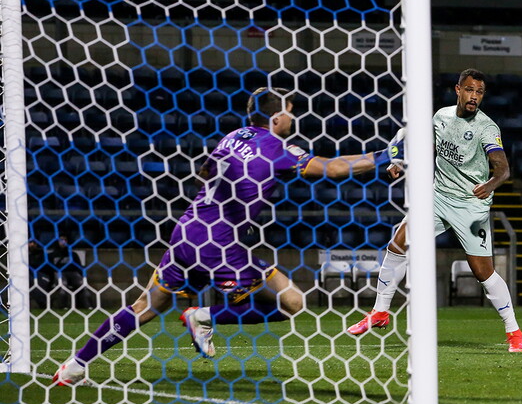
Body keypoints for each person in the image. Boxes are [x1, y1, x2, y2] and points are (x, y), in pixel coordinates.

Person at [53, 87, 403, 385]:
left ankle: (75, 365)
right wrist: (387, 155)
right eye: (290, 113)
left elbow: (204, 176)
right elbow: (334, 167)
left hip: (187, 231)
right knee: (292, 302)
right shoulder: (277, 148)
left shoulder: (231, 137)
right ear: (277, 119)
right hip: (219, 244)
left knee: (144, 307)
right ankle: (203, 316)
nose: (293, 119)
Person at [347, 68, 522, 353]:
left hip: (470, 205)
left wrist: (491, 184)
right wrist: (400, 162)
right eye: (469, 90)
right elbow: (427, 148)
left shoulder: (486, 127)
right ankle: (380, 312)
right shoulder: (441, 117)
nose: (474, 97)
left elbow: (503, 169)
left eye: (479, 92)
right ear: (458, 90)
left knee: (483, 271)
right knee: (397, 244)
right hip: (437, 197)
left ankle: (513, 330)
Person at [50, 235, 94, 310]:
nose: (63, 242)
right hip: (60, 273)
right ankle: (63, 306)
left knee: (82, 284)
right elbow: (50, 268)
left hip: (73, 273)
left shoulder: (73, 254)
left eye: (65, 240)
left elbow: (79, 267)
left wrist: (82, 277)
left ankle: (88, 306)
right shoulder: (52, 255)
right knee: (63, 285)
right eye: (61, 240)